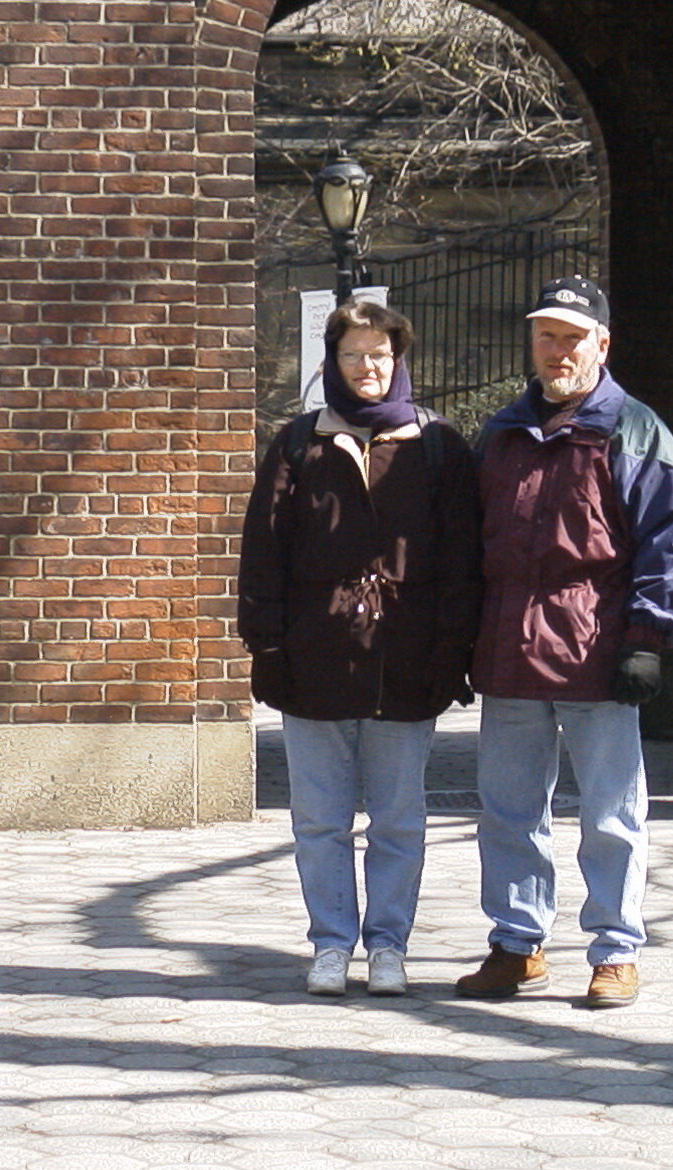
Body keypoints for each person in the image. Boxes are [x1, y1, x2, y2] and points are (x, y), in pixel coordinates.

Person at [456, 276, 673, 1010]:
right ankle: (515, 943)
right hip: (509, 652)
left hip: (600, 653)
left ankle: (615, 949)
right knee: (507, 811)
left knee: (610, 814)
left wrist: (648, 637)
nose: (558, 350)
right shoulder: (501, 434)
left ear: (602, 343)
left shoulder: (635, 430)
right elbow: (470, 542)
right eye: (546, 336)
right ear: (531, 344)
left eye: (573, 337)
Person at [239, 299, 481, 997]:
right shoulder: (298, 443)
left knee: (400, 816)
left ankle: (388, 946)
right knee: (319, 819)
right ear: (332, 362)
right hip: (316, 655)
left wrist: (452, 649)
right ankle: (330, 943)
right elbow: (264, 552)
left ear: (398, 358)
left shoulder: (439, 446)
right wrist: (267, 644)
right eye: (353, 355)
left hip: (407, 660)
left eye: (379, 354)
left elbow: (463, 559)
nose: (367, 367)